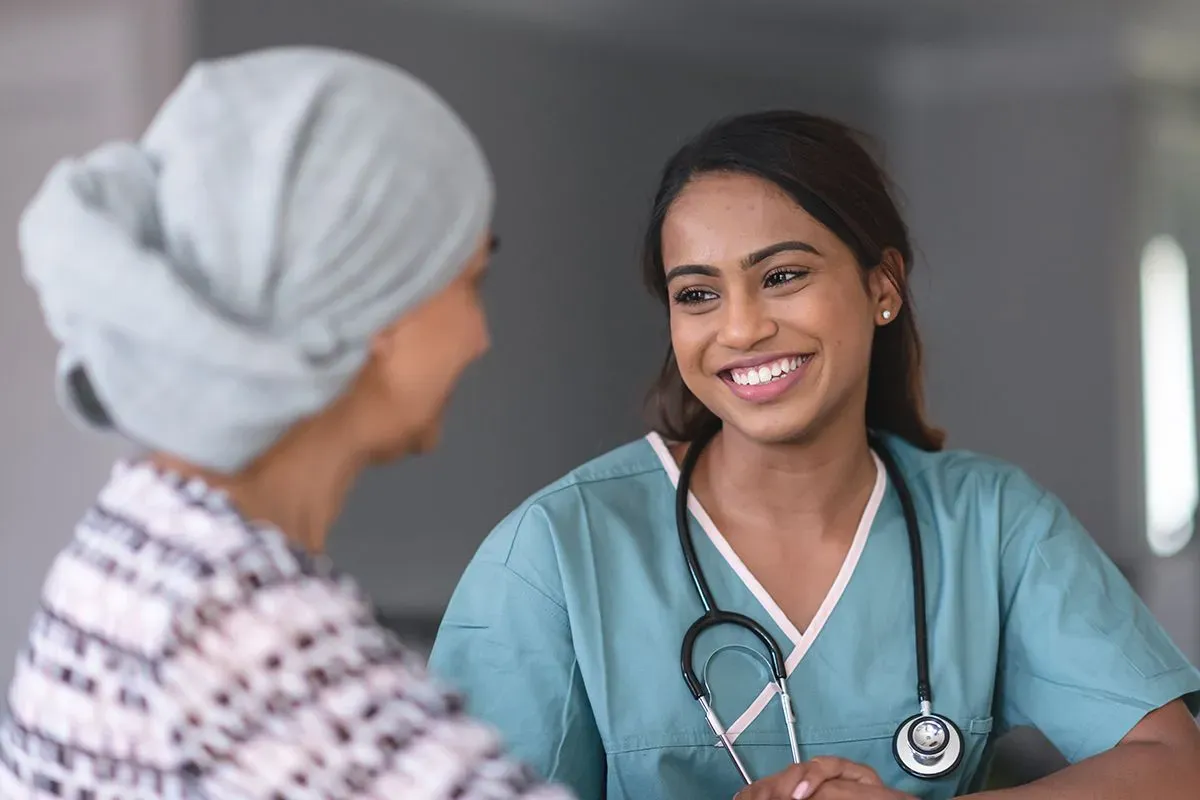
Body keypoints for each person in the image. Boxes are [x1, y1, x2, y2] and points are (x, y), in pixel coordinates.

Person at [428, 110, 1200, 800]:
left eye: (783, 276)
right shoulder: (556, 553)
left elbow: (1173, 765)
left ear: (883, 285)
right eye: (698, 295)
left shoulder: (991, 523)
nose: (740, 328)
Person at [0, 46, 571, 800]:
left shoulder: (138, 537)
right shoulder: (235, 621)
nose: (480, 337)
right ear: (371, 315)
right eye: (469, 283)